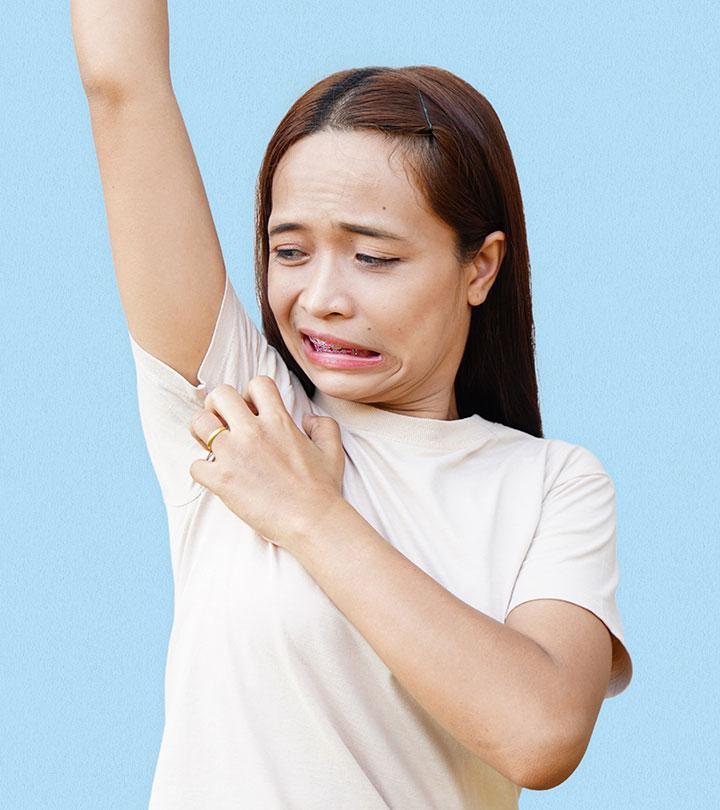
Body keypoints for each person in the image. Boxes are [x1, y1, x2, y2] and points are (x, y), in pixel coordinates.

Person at [71, 2, 633, 808]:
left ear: (480, 267)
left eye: (373, 256)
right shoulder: (238, 406)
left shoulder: (552, 485)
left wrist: (312, 516)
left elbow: (538, 735)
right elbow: (120, 84)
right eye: (289, 250)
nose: (320, 298)